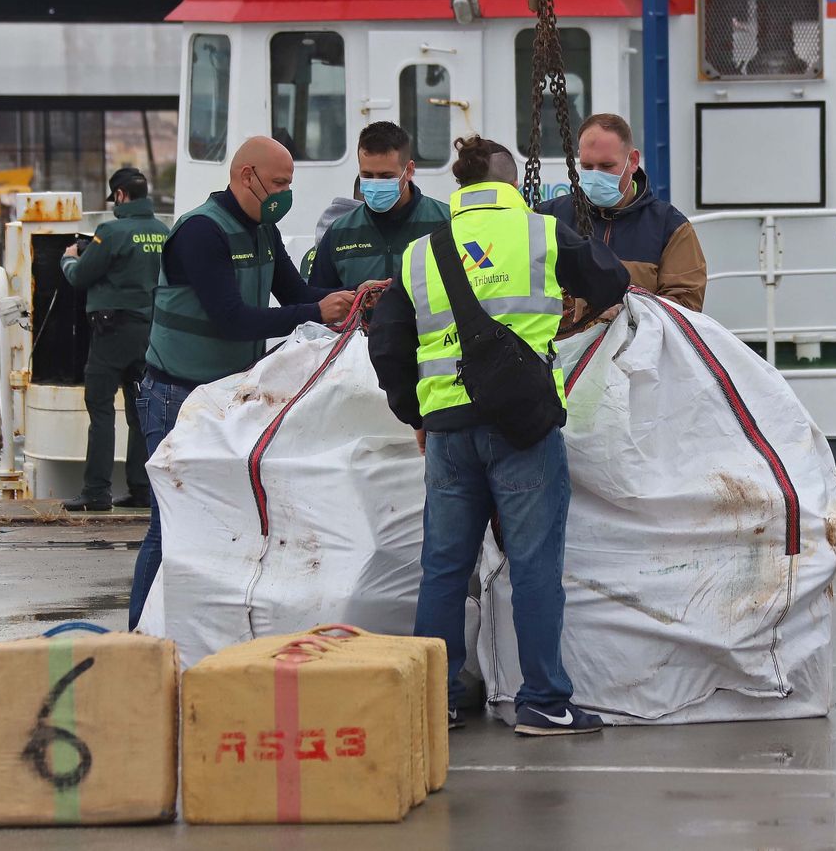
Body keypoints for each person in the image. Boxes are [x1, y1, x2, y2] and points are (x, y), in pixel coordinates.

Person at [368, 135, 629, 735]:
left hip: (448, 435)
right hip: (522, 427)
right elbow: (611, 280)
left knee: (443, 568)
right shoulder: (541, 232)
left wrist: (418, 414)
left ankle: (436, 699)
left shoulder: (419, 252)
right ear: (515, 184)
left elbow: (387, 342)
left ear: (459, 189)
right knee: (534, 566)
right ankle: (542, 700)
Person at [128, 136, 355, 630]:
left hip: (229, 397)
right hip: (176, 396)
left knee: (223, 523)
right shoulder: (200, 233)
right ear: (245, 175)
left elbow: (295, 293)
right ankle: (136, 642)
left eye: (289, 184)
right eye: (278, 183)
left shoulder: (263, 230)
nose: (284, 193)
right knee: (167, 527)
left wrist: (348, 300)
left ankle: (197, 633)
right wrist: (316, 311)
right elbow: (230, 318)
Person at [60, 167, 167, 512]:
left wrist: (68, 258)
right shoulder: (163, 232)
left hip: (111, 336)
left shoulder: (111, 232)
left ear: (120, 195)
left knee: (101, 409)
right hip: (149, 334)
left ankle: (96, 491)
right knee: (140, 412)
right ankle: (141, 489)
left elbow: (80, 276)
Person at [537, 113, 706, 311]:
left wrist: (624, 313)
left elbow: (685, 305)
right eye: (587, 167)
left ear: (633, 161)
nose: (596, 175)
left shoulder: (669, 227)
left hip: (637, 341)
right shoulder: (548, 216)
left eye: (607, 166)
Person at [303, 121, 450, 289]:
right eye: (367, 175)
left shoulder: (445, 222)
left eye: (386, 176)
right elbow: (319, 301)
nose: (375, 183)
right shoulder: (340, 232)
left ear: (408, 171)